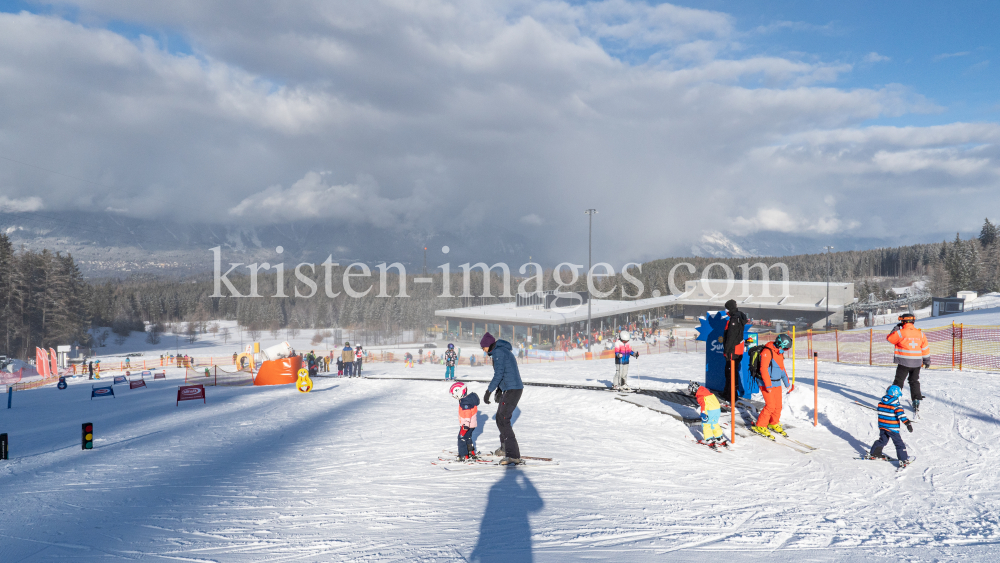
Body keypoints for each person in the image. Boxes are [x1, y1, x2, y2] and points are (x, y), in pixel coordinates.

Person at [481, 332, 525, 466]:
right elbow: (506, 372)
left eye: (483, 347)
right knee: (500, 418)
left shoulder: (498, 353)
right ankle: (505, 447)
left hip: (513, 389)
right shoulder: (501, 351)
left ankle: (513, 455)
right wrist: (500, 390)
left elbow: (498, 374)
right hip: (511, 388)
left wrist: (489, 391)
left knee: (503, 419)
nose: (483, 349)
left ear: (488, 345)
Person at [751, 333, 793, 440]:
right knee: (770, 405)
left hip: (777, 382)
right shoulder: (767, 352)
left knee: (778, 405)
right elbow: (763, 369)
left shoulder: (779, 353)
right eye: (784, 348)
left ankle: (773, 423)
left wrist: (788, 384)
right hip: (765, 383)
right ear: (780, 344)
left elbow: (782, 370)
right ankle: (760, 425)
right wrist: (768, 385)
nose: (785, 350)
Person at [887, 313, 930, 410]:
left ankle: (893, 400)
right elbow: (925, 348)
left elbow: (890, 339)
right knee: (914, 381)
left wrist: (896, 328)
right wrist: (927, 361)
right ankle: (916, 401)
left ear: (902, 322)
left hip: (904, 362)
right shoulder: (920, 334)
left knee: (899, 381)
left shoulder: (900, 332)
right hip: (917, 363)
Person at [865, 384, 912, 467]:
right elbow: (901, 416)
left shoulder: (881, 403)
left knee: (882, 440)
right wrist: (908, 424)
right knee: (899, 443)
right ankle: (903, 460)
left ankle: (874, 453)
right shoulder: (896, 405)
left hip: (883, 427)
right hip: (892, 428)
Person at [722, 299, 748, 401]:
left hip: (733, 351)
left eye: (726, 308)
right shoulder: (738, 317)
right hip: (737, 350)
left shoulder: (734, 319)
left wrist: (727, 351)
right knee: (730, 372)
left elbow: (731, 337)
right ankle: (728, 392)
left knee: (731, 373)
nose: (725, 310)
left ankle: (732, 395)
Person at [450, 381, 481, 461]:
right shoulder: (468, 399)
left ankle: (463, 455)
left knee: (461, 438)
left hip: (466, 425)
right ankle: (470, 452)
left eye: (454, 394)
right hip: (471, 425)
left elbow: (467, 414)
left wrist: (465, 425)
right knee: (468, 437)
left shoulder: (465, 402)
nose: (454, 396)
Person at [695, 385, 727, 450]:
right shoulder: (708, 392)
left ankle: (708, 439)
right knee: (714, 423)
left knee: (706, 424)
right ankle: (719, 437)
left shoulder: (700, 396)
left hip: (710, 410)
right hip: (717, 410)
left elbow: (703, 405)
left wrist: (703, 413)